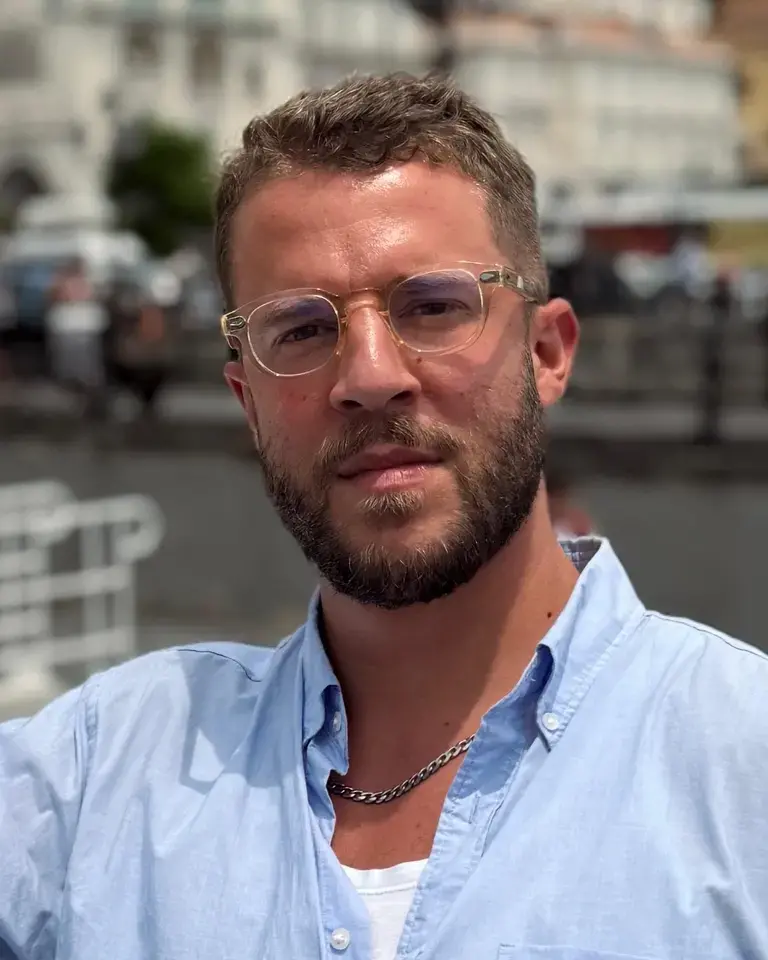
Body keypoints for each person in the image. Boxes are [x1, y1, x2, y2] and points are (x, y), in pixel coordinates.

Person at [1, 73, 767, 960]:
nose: (369, 375)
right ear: (247, 402)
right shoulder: (99, 776)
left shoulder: (739, 765)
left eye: (434, 306)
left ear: (548, 352)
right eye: (300, 329)